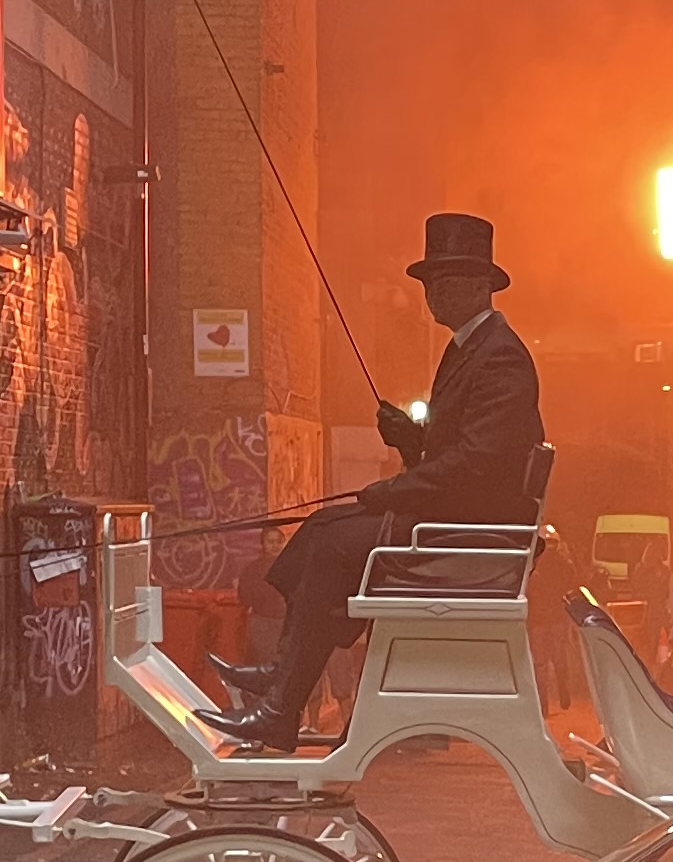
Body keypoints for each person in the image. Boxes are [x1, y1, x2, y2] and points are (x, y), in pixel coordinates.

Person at [217, 212, 544, 749]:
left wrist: (393, 490)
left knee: (333, 547)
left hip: (472, 530)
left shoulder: (501, 357)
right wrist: (408, 441)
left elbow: (480, 464)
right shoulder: (469, 351)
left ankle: (280, 705)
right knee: (322, 526)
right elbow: (459, 453)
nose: (432, 294)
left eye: (445, 281)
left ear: (481, 286)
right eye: (428, 283)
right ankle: (283, 673)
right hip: (457, 516)